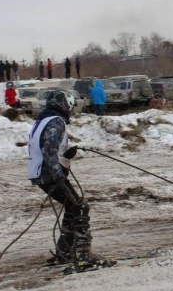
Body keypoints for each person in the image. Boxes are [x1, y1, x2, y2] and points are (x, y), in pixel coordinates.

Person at [28, 89, 113, 270]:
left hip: (40, 173)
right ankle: (82, 257)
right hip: (48, 174)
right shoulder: (56, 121)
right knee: (80, 207)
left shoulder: (43, 120)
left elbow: (48, 148)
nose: (71, 109)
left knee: (72, 206)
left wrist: (65, 155)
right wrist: (58, 176)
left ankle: (65, 252)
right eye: (69, 105)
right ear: (63, 105)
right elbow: (49, 149)